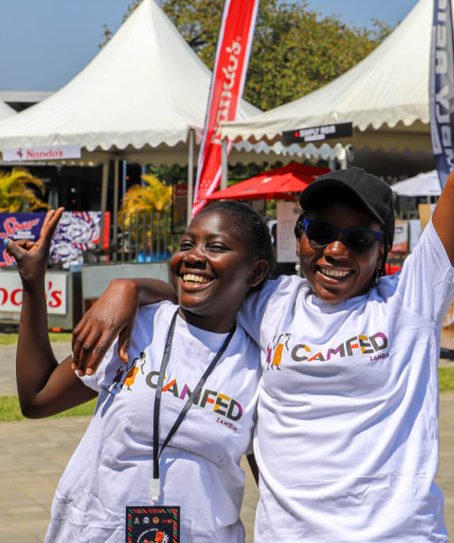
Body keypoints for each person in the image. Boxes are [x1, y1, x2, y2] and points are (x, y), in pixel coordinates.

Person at [71, 0, 454, 541]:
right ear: (300, 238)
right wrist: (129, 287)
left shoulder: (408, 303)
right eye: (320, 232)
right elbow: (203, 284)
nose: (335, 251)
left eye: (358, 240)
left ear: (385, 251)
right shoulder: (271, 304)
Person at [12, 202, 273, 542]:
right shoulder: (137, 325)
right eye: (186, 244)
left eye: (216, 247)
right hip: (92, 531)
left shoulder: (262, 366)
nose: (194, 256)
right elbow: (37, 398)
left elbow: (275, 493)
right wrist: (33, 282)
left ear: (255, 272)